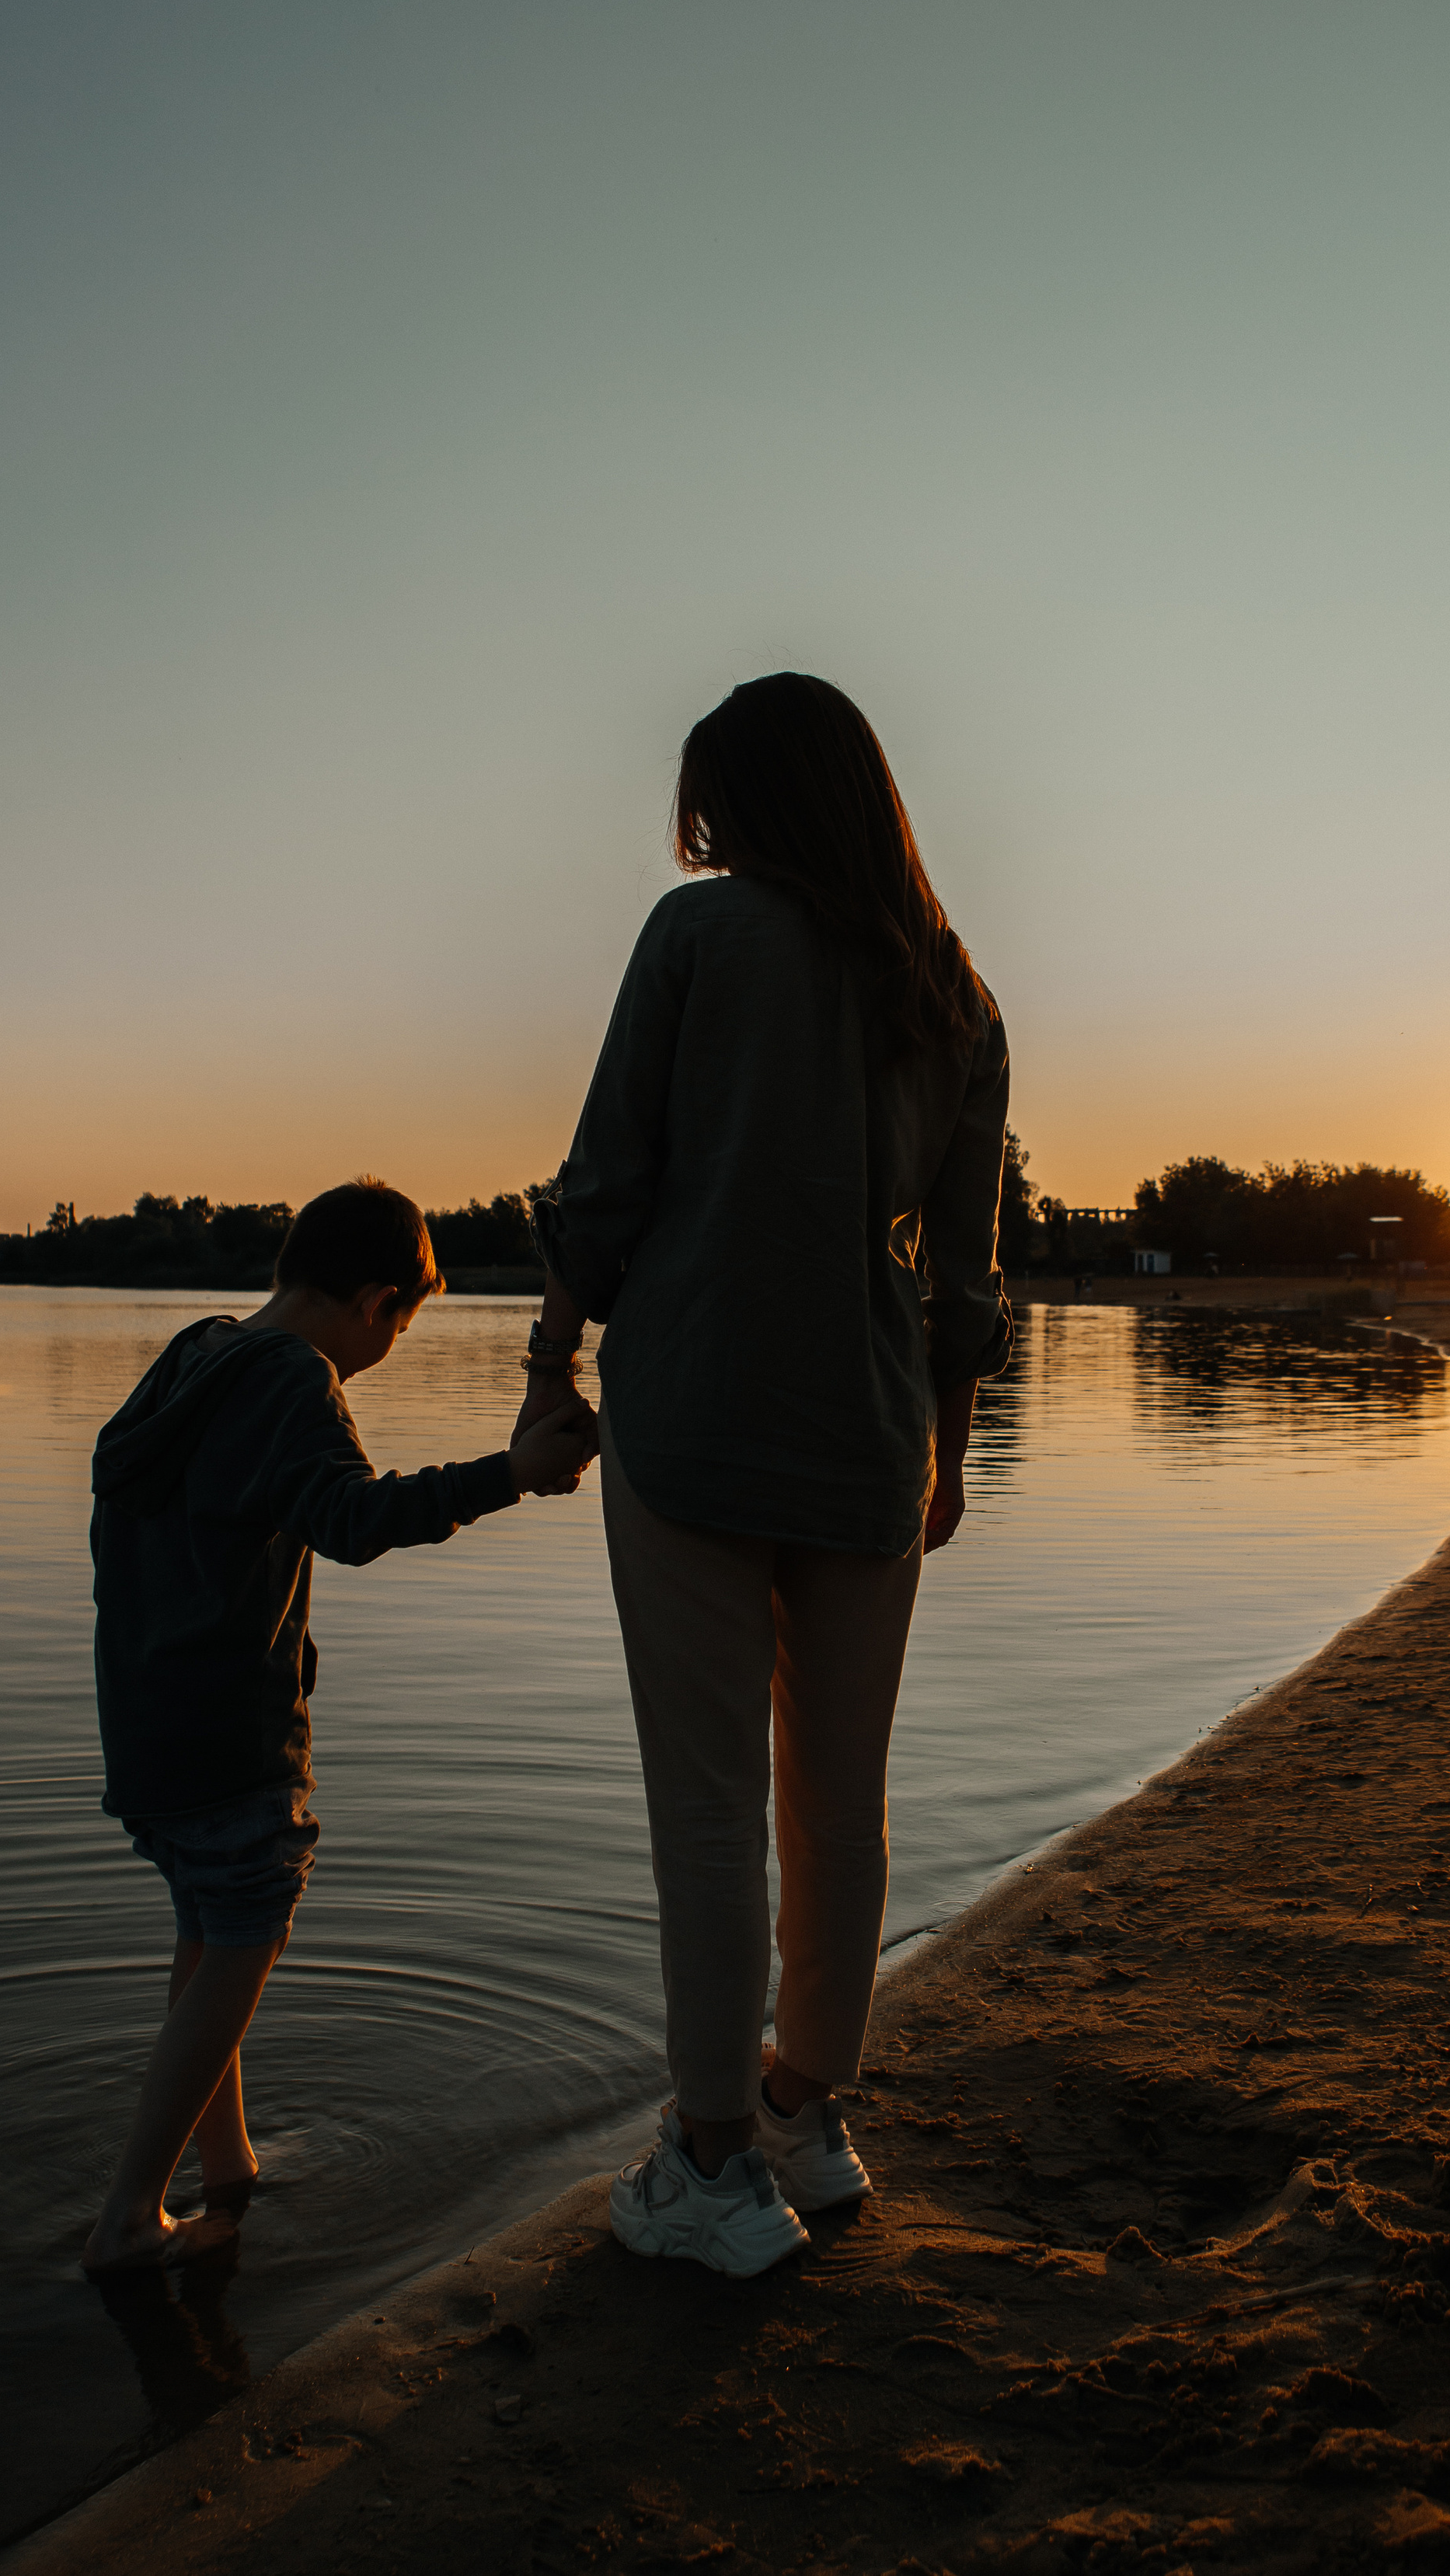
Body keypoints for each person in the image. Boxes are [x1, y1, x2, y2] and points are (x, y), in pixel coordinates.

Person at [518, 671, 1013, 2278]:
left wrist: (549, 1360)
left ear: (747, 801)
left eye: (711, 802)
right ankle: (805, 2108)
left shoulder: (696, 938)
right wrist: (946, 1436)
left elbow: (608, 1181)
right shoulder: (952, 992)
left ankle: (712, 2156)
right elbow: (961, 1268)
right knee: (836, 1796)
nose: (703, 832)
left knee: (709, 1802)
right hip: (873, 1432)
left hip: (697, 1415)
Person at [81, 1176, 594, 2273]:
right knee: (247, 1931)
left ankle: (228, 2171)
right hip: (228, 1732)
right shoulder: (292, 1381)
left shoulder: (197, 1353)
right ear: (375, 1302)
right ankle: (128, 2217)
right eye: (402, 1327)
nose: (390, 1348)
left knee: (209, 1933)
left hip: (144, 1723)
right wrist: (512, 1473)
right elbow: (355, 1521)